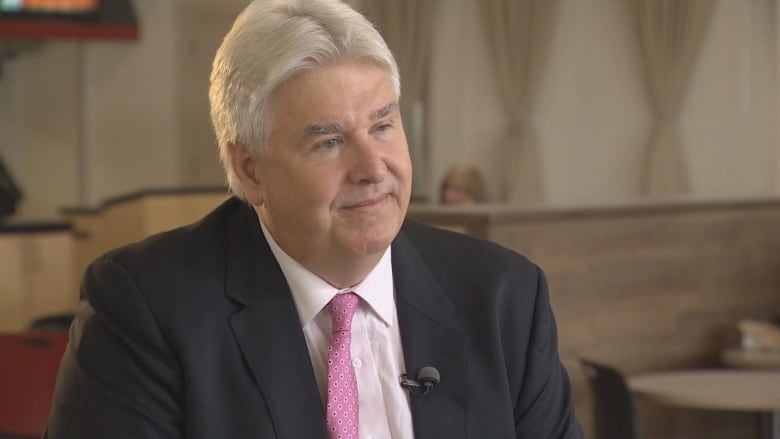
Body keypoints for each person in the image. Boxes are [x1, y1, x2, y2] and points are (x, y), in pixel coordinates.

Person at [45, 0, 583, 437]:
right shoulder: (145, 309)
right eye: (329, 141)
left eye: (383, 126)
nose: (374, 169)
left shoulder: (503, 295)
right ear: (251, 170)